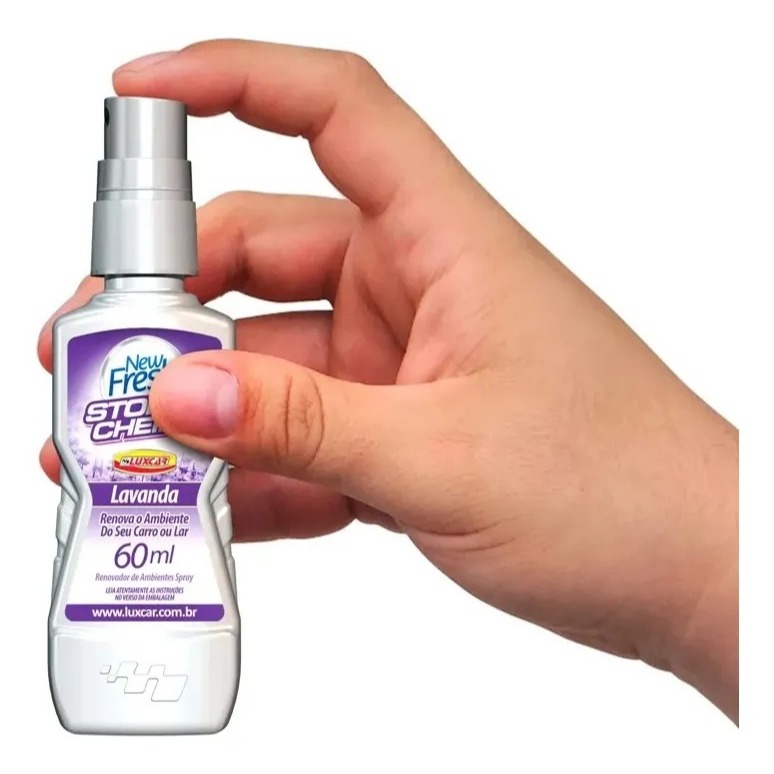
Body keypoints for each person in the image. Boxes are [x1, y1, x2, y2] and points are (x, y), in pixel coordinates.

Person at [37, 40, 739, 722]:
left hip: (186, 623)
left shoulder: (178, 332)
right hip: (104, 615)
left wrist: (704, 576)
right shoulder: (98, 334)